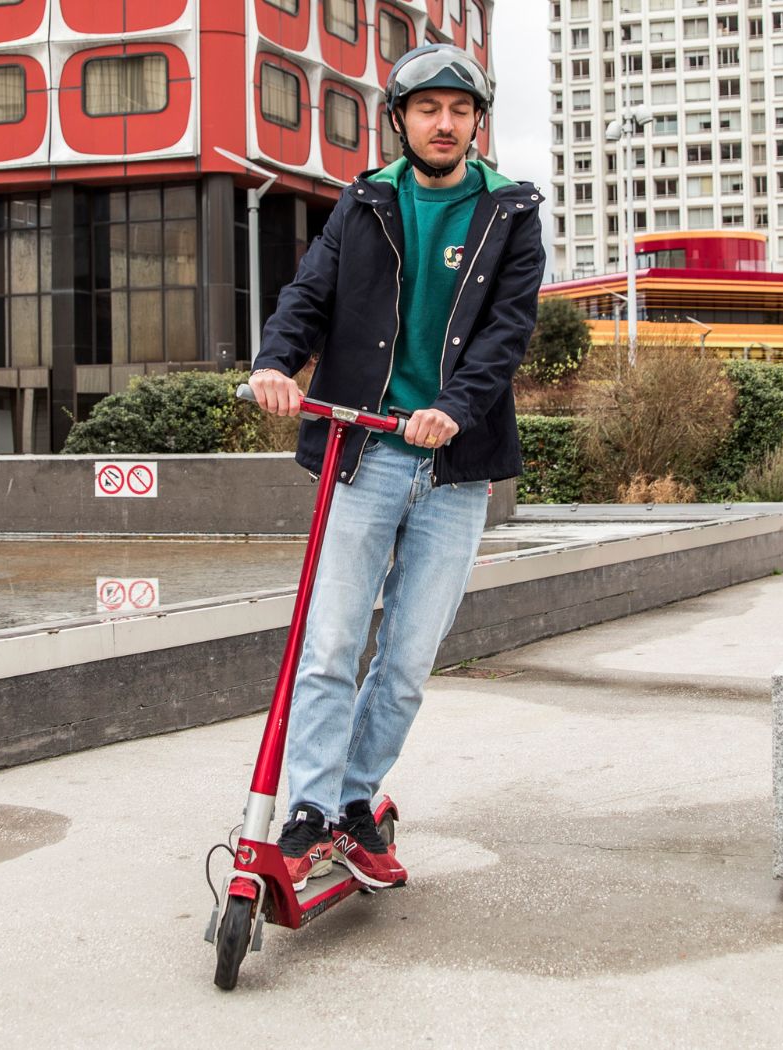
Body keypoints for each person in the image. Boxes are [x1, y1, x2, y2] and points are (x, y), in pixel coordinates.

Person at [247, 43, 544, 891]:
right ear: (402, 120)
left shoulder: (512, 212)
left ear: (477, 123)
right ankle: (309, 811)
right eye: (427, 109)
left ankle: (352, 800)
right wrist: (277, 363)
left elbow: (506, 333)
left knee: (408, 658)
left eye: (458, 110)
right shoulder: (366, 203)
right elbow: (308, 297)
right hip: (364, 454)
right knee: (333, 640)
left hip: (456, 469)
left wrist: (454, 408)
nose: (443, 123)